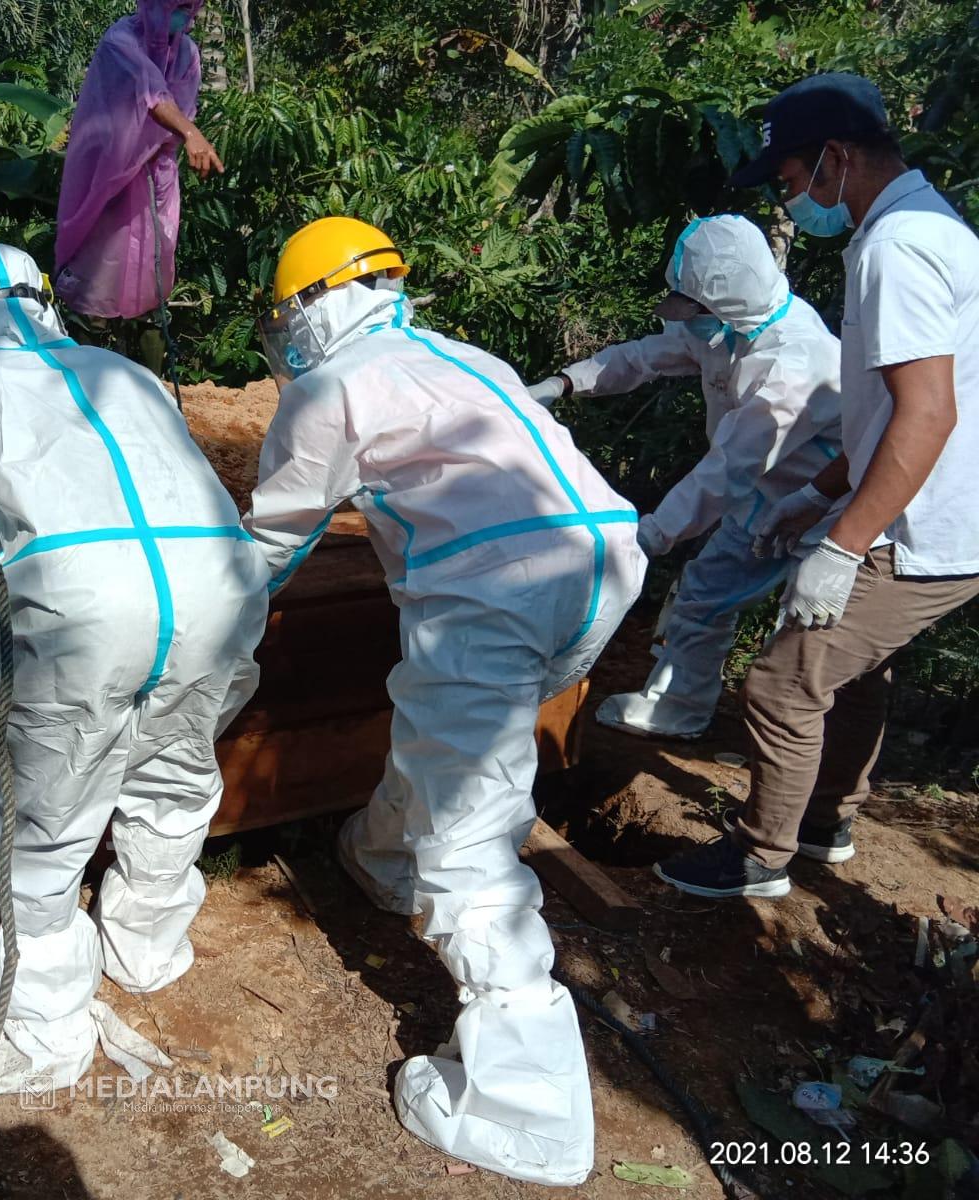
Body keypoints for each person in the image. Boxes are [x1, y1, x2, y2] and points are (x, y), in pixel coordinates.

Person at [245, 217, 645, 1185]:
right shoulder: (462, 355)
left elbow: (270, 544)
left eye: (280, 320)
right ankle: (381, 859)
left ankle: (528, 1108)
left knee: (468, 832)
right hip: (602, 560)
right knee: (457, 746)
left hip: (492, 588)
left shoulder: (327, 388)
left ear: (307, 305)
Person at [0, 243, 268, 1094]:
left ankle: (46, 1027)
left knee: (48, 824)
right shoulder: (119, 371)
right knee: (174, 778)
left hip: (80, 611)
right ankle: (149, 949)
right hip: (219, 591)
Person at [654, 73, 979, 899]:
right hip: (933, 505)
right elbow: (882, 417)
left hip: (929, 523)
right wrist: (818, 492)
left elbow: (928, 415)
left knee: (785, 678)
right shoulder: (924, 226)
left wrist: (841, 542)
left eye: (794, 182)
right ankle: (829, 816)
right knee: (855, 670)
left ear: (836, 157)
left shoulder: (897, 248)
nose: (794, 201)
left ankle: (762, 855)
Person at [529, 215, 842, 739]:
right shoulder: (722, 331)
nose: (686, 323)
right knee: (702, 595)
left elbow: (729, 467)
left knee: (810, 631)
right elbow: (643, 357)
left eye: (694, 311)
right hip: (763, 496)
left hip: (824, 508)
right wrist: (564, 384)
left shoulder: (797, 359)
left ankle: (801, 755)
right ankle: (680, 708)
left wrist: (652, 534)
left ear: (725, 305)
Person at [54, 0, 222, 320]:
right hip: (107, 175)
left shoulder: (187, 53)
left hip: (156, 176)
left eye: (188, 7)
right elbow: (151, 92)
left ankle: (146, 364)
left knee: (150, 277)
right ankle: (86, 353)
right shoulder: (120, 40)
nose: (181, 15)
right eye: (175, 6)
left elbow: (180, 109)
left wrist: (176, 135)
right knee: (95, 276)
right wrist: (189, 133)